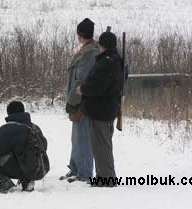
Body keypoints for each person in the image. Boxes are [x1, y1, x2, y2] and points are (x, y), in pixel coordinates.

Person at [76, 31, 123, 187]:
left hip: (100, 112)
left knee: (101, 148)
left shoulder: (106, 62)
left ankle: (107, 180)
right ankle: (103, 177)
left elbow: (98, 87)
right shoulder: (116, 60)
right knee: (102, 146)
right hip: (108, 110)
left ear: (101, 45)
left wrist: (83, 89)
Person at [0, 101, 48, 194]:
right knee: (21, 152)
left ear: (8, 113)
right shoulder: (34, 127)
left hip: (22, 169)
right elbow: (44, 145)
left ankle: (5, 182)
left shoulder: (8, 128)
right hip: (40, 168)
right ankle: (27, 180)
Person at [61, 18, 99, 183]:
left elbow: (80, 81)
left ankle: (84, 173)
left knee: (82, 137)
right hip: (80, 101)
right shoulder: (87, 50)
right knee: (76, 137)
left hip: (83, 103)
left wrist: (72, 101)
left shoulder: (90, 53)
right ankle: (75, 168)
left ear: (80, 34)